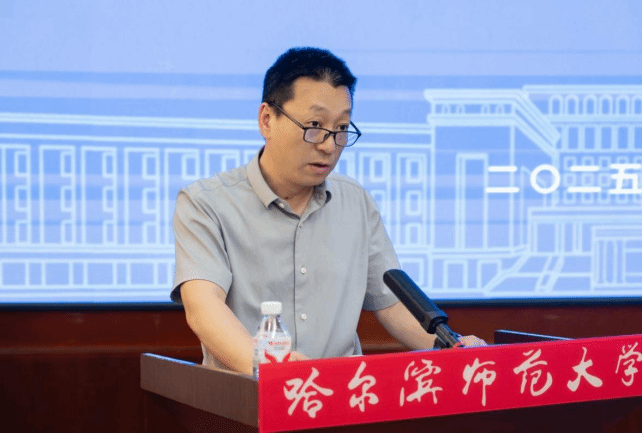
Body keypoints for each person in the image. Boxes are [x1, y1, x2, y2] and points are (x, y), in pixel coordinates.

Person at [171, 47, 485, 375]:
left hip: (343, 396)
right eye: (314, 125)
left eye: (341, 128)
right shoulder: (206, 203)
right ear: (267, 120)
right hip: (250, 397)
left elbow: (392, 303)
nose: (328, 145)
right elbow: (204, 306)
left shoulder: (356, 202)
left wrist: (452, 347)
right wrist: (272, 368)